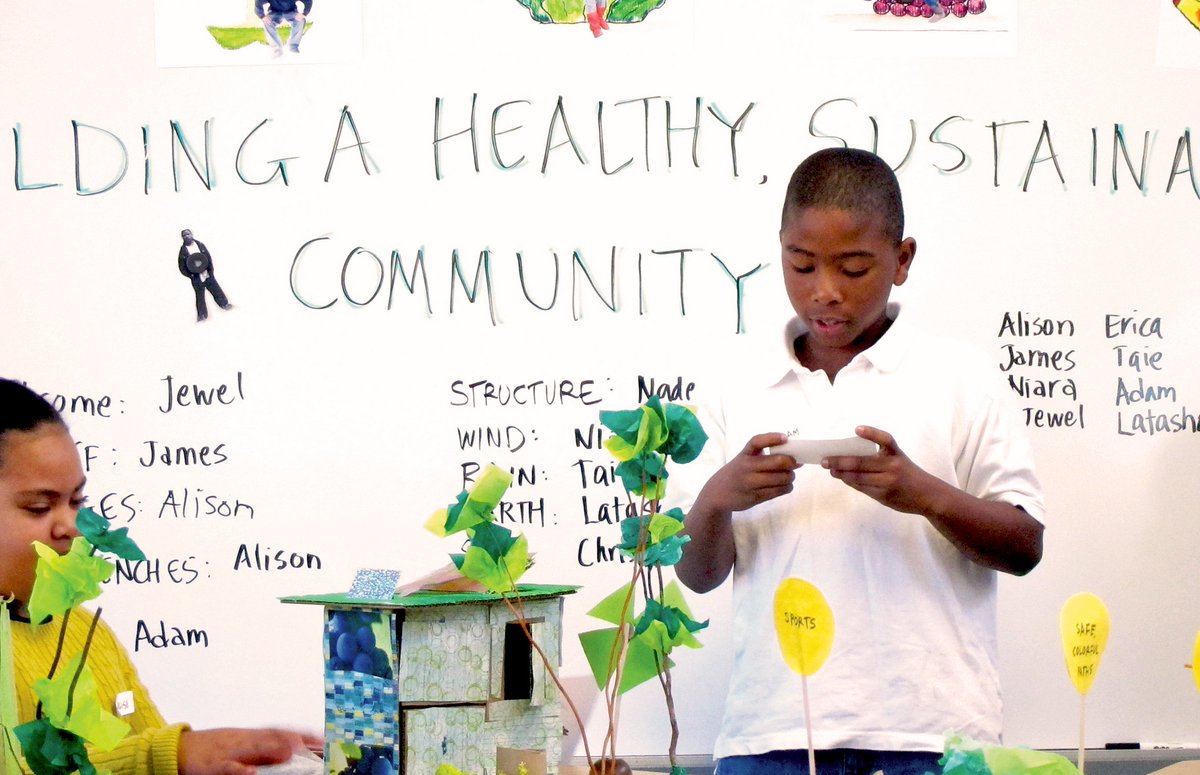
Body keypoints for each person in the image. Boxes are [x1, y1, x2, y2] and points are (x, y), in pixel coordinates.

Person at [671, 148, 1045, 775]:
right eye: (801, 263)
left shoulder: (961, 377)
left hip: (932, 734)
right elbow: (697, 575)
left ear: (902, 261)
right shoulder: (733, 383)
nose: (825, 291)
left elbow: (1025, 545)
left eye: (853, 268)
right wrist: (717, 497)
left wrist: (922, 492)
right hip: (772, 734)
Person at [0, 377, 318, 775]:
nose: (72, 526)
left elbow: (148, 747)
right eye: (38, 507)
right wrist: (167, 755)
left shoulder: (87, 633)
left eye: (77, 501)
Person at [177, 229, 232, 323]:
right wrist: (191, 275)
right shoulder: (183, 251)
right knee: (200, 297)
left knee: (216, 290)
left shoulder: (200, 245)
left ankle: (224, 304)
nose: (186, 236)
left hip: (206, 273)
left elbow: (208, 257)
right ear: (182, 238)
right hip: (196, 277)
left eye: (188, 234)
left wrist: (210, 271)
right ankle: (202, 315)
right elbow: (181, 266)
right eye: (184, 235)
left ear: (191, 234)